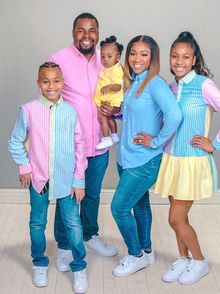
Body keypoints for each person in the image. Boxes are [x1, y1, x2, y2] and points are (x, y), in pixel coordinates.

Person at [154, 31, 220, 285]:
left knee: (175, 218)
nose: (179, 61)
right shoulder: (171, 87)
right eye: (174, 56)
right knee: (180, 219)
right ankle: (184, 258)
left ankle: (199, 261)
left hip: (192, 162)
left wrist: (215, 143)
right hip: (171, 160)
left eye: (185, 56)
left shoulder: (203, 85)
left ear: (194, 59)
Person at [8, 62, 88, 294]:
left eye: (56, 80)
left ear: (62, 82)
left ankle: (79, 266)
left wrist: (79, 179)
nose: (51, 86)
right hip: (39, 179)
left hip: (67, 179)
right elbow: (15, 140)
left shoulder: (70, 112)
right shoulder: (29, 110)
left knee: (73, 224)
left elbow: (79, 147)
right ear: (38, 83)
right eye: (46, 81)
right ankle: (39, 263)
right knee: (37, 222)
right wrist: (25, 167)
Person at [47, 13, 118, 267]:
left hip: (99, 143)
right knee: (66, 195)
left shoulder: (108, 58)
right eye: (81, 30)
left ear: (98, 33)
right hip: (71, 146)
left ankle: (89, 235)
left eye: (92, 30)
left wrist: (115, 111)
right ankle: (64, 245)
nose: (87, 35)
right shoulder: (57, 59)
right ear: (73, 32)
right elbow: (46, 101)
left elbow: (117, 93)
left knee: (92, 195)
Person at [110, 35, 182, 277]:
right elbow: (136, 114)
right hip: (126, 158)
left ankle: (136, 255)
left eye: (143, 54)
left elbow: (174, 116)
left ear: (153, 57)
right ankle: (147, 250)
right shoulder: (134, 82)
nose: (136, 58)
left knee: (119, 208)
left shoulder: (156, 84)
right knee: (140, 206)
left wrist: (157, 141)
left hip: (144, 160)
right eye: (133, 53)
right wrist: (116, 114)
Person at [94, 35, 124, 150]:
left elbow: (118, 86)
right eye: (102, 56)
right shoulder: (108, 68)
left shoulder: (116, 69)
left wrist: (109, 87)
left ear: (117, 57)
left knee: (102, 117)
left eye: (109, 56)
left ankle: (106, 139)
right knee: (109, 118)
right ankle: (114, 135)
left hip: (111, 100)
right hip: (108, 99)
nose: (105, 59)